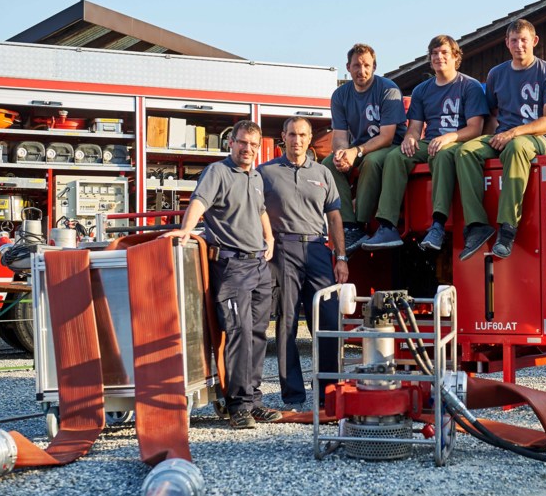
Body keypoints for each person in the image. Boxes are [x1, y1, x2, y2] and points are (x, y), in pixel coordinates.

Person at [161, 119, 281, 430]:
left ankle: (253, 401)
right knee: (239, 333)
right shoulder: (217, 172)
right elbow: (200, 201)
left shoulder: (255, 176)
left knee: (257, 334)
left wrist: (269, 239)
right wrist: (187, 230)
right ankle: (237, 405)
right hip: (231, 267)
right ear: (231, 143)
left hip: (258, 266)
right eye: (243, 143)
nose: (248, 149)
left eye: (253, 145)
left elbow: (261, 210)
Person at [361, 35, 488, 251]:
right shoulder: (421, 90)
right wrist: (410, 138)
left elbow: (475, 128)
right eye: (435, 54)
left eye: (444, 53)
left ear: (455, 56)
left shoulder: (470, 86)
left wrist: (448, 137)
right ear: (430, 59)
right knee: (395, 156)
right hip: (430, 141)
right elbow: (415, 128)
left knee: (441, 154)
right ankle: (387, 226)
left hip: (459, 141)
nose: (439, 57)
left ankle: (437, 225)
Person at [258, 117, 349, 411]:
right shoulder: (266, 173)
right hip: (283, 250)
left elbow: (334, 217)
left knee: (328, 322)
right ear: (283, 137)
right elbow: (253, 210)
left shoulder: (323, 173)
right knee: (286, 324)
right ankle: (293, 396)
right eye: (292, 135)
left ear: (310, 139)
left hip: (318, 250)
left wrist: (341, 257)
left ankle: (328, 394)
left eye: (302, 135)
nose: (297, 140)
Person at [455, 18, 546, 261]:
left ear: (534, 41)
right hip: (503, 135)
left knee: (515, 147)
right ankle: (477, 225)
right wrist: (495, 136)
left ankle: (507, 228)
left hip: (537, 138)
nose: (519, 45)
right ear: (506, 43)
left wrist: (512, 133)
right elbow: (493, 115)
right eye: (513, 40)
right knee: (464, 151)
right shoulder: (496, 73)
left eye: (524, 40)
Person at [322, 43, 407, 254]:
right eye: (356, 66)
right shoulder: (340, 95)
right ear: (348, 67)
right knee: (327, 165)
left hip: (389, 146)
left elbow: (387, 136)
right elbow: (340, 136)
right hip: (358, 146)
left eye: (367, 65)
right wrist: (342, 153)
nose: (362, 71)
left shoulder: (388, 89)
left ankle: (361, 222)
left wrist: (356, 152)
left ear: (375, 66)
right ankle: (350, 226)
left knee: (372, 160)